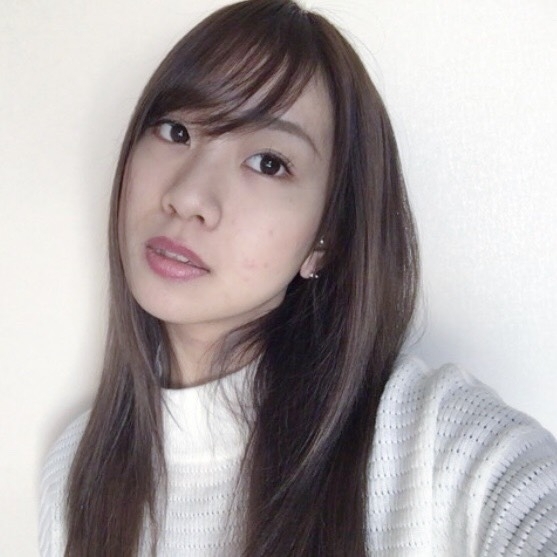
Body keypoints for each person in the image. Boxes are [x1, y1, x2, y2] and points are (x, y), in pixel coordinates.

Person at [39, 0, 557, 555]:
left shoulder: (437, 443)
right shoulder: (76, 469)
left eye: (268, 162)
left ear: (324, 238)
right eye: (176, 130)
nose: (187, 196)